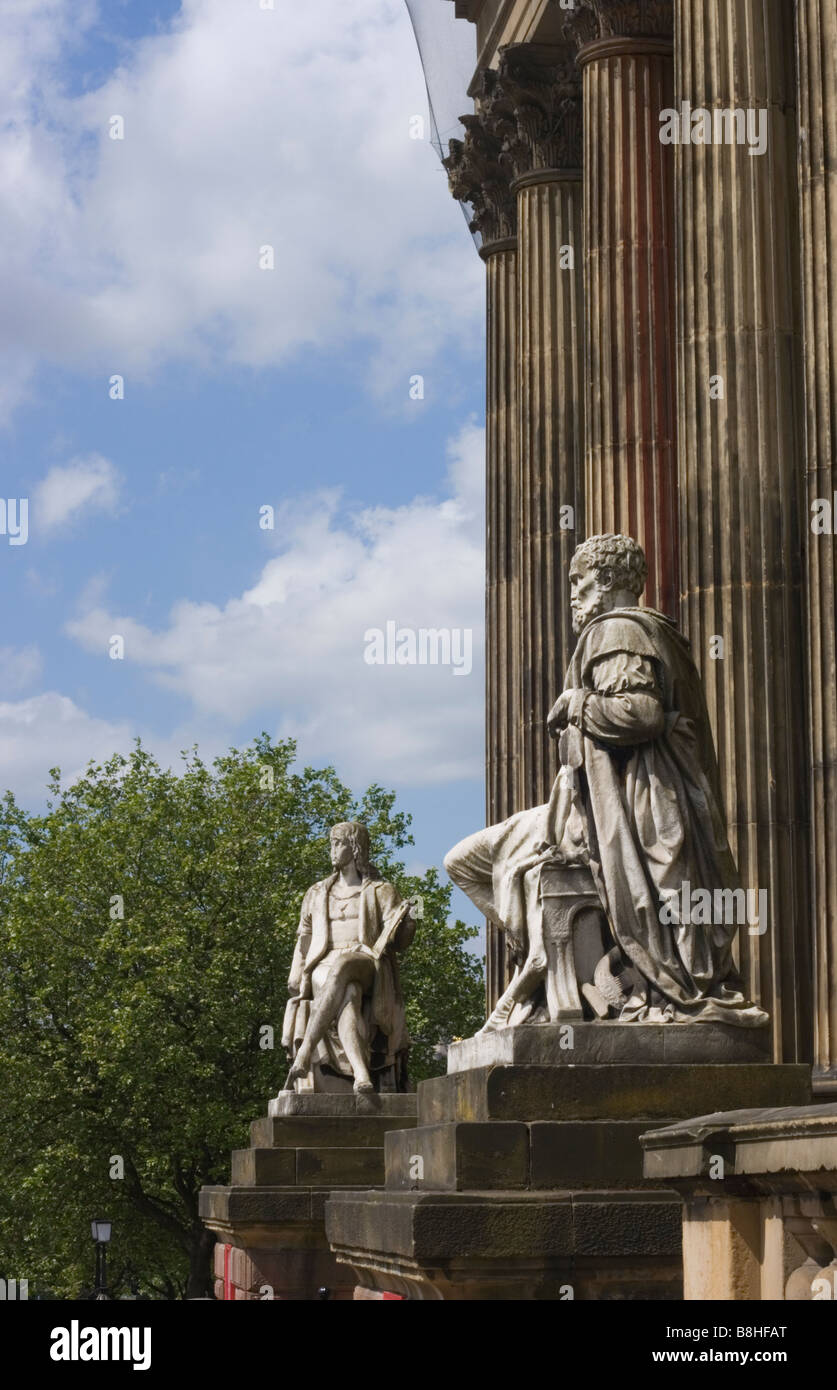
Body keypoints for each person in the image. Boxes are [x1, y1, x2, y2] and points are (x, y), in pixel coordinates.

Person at [445, 534, 768, 1029]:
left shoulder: (615, 630)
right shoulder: (654, 632)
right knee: (474, 861)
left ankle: (591, 978)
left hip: (638, 805)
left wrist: (576, 704)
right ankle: (549, 961)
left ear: (611, 580)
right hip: (615, 801)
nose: (572, 592)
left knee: (480, 862)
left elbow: (640, 714)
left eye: (580, 580)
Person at [282, 821, 414, 1093]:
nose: (332, 849)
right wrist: (296, 974)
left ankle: (305, 1052)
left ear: (354, 848)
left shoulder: (381, 890)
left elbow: (399, 941)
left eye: (337, 842)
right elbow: (304, 938)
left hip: (365, 961)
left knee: (345, 966)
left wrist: (409, 923)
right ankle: (362, 1075)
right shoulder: (317, 892)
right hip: (324, 963)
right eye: (331, 842)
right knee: (349, 993)